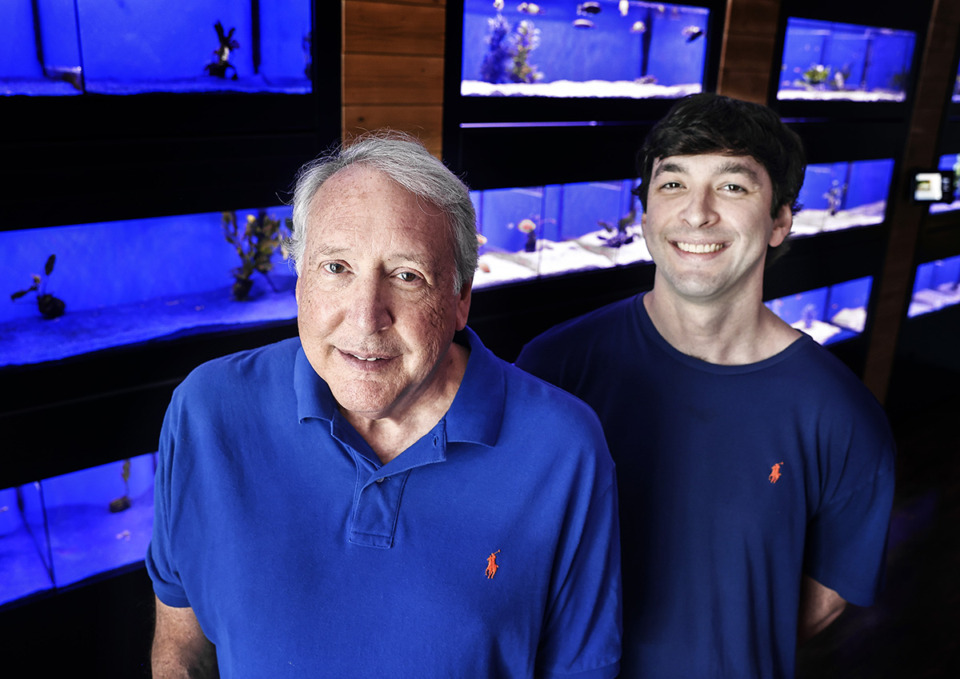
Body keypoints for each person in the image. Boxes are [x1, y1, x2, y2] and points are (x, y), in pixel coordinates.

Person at [145, 131, 621, 678]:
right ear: (300, 282)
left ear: (461, 297)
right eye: (336, 268)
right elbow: (182, 642)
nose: (366, 317)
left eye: (406, 275)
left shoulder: (564, 450)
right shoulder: (207, 411)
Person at [516, 93, 895, 678]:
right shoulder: (554, 367)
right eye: (672, 184)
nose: (696, 213)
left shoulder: (842, 415)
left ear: (779, 222)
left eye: (733, 187)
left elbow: (825, 596)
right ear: (644, 215)